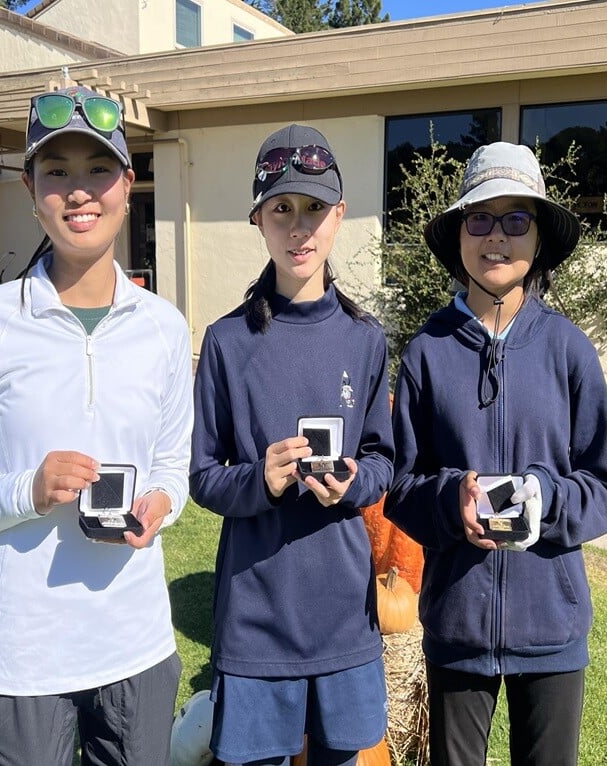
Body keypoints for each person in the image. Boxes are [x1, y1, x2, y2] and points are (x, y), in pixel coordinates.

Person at [0, 85, 193, 766]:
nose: (79, 192)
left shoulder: (164, 328)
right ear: (29, 188)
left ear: (128, 185)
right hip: (26, 658)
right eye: (57, 172)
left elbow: (172, 470)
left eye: (98, 170)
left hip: (138, 648)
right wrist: (29, 491)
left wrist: (161, 504)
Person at [384, 142, 607, 766]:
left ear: (539, 238)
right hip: (457, 624)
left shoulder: (569, 351)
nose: (497, 237)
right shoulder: (426, 354)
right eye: (481, 219)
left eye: (517, 219)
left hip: (551, 625)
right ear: (460, 234)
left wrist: (546, 500)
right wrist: (449, 501)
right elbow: (402, 485)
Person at [189, 124, 395, 766]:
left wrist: (354, 482)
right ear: (258, 218)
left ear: (340, 215)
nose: (298, 228)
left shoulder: (366, 340)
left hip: (343, 614)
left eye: (313, 209)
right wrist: (260, 481)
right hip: (256, 614)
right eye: (281, 209)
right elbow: (200, 475)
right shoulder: (227, 343)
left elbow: (385, 459)